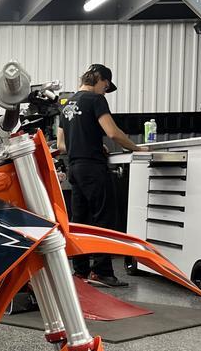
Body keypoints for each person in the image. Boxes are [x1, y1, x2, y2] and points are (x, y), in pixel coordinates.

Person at [57, 64, 150, 287]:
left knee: (79, 221)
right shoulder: (96, 100)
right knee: (103, 220)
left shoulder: (67, 104)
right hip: (93, 168)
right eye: (106, 87)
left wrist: (87, 144)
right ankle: (102, 273)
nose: (105, 92)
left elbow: (61, 145)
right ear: (101, 80)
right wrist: (137, 148)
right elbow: (112, 132)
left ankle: (80, 272)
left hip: (75, 168)